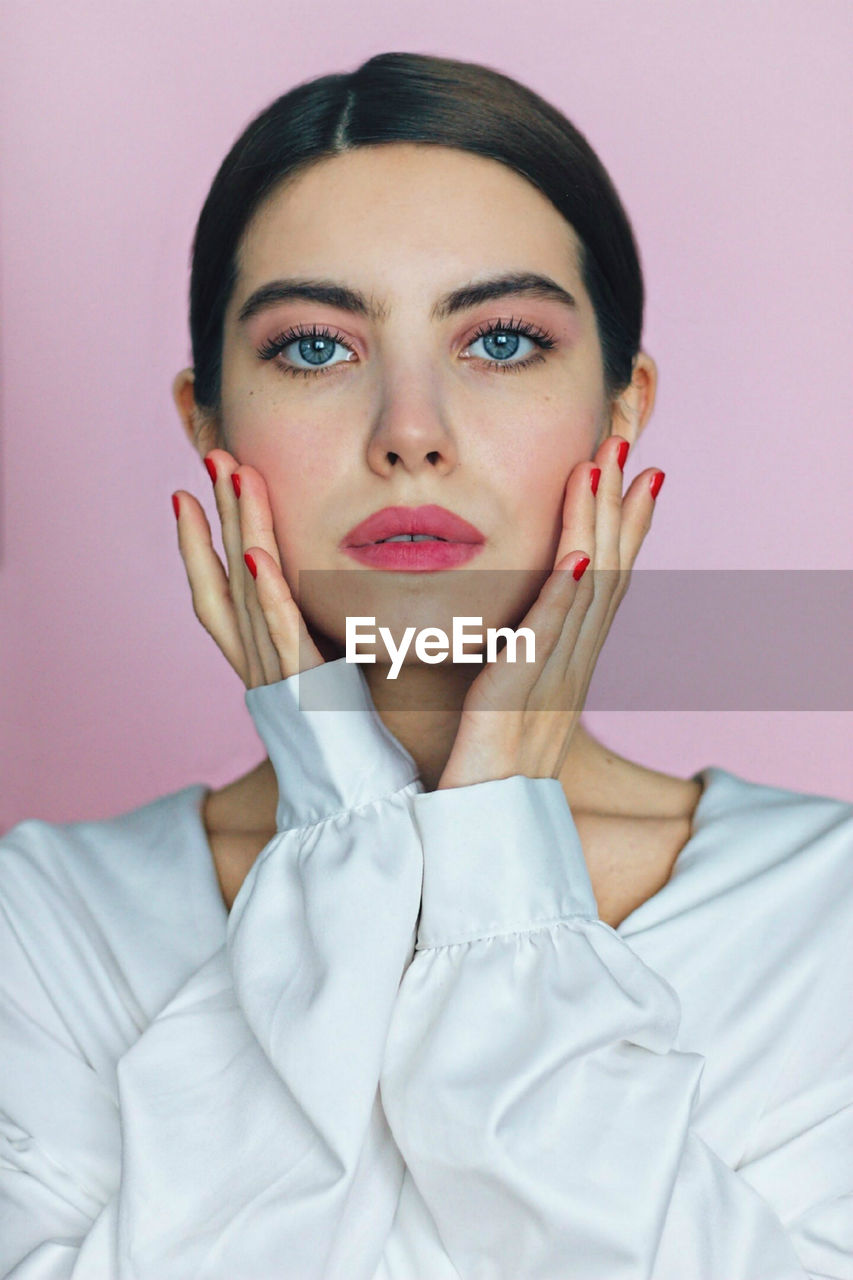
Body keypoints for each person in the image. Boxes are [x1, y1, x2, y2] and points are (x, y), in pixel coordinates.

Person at [1, 50, 850, 1280]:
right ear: (207, 419)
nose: (410, 432)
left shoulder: (825, 912)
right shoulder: (44, 929)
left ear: (623, 408)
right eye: (313, 348)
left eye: (501, 341)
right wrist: (349, 820)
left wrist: (498, 822)